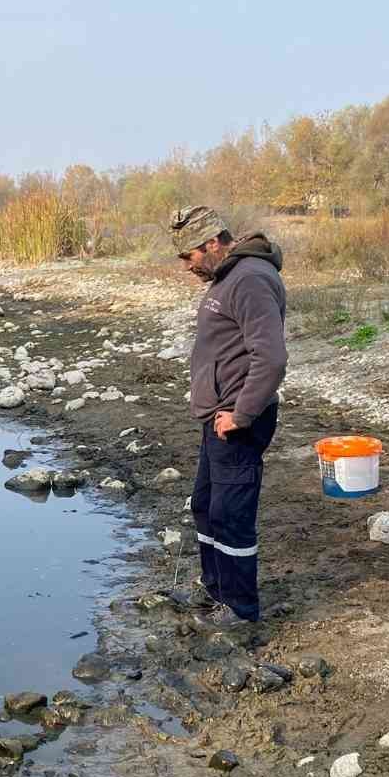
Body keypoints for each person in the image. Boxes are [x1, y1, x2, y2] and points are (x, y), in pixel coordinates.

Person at [170, 205, 288, 624]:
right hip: (216, 417)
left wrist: (241, 414)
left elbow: (271, 358)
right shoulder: (228, 277)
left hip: (236, 422)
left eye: (190, 256)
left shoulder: (251, 279)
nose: (188, 266)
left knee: (231, 515)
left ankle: (240, 609)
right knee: (206, 506)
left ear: (213, 242)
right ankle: (214, 588)